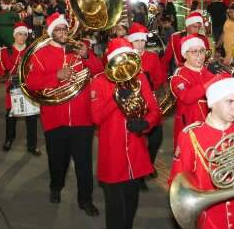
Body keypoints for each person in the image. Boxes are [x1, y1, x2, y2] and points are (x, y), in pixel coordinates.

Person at [169, 72, 234, 229]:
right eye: (230, 101)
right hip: (209, 220)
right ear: (213, 103)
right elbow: (177, 184)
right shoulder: (191, 135)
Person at [26, 12, 102, 216]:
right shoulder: (39, 54)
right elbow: (31, 83)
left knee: (84, 163)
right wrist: (55, 76)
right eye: (58, 29)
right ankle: (55, 186)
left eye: (64, 29)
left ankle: (85, 200)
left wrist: (88, 56)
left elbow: (99, 71)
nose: (63, 32)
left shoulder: (80, 48)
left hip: (82, 118)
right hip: (55, 118)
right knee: (57, 161)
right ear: (51, 33)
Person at [89, 38, 160, 229]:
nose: (124, 63)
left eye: (128, 57)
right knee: (115, 210)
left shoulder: (140, 78)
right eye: (119, 58)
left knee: (131, 204)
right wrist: (116, 98)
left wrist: (145, 124)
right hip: (113, 155)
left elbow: (154, 111)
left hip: (136, 153)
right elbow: (96, 118)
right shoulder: (99, 82)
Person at [127, 22, 166, 183]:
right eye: (137, 41)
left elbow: (160, 78)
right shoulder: (126, 58)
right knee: (138, 140)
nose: (140, 44)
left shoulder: (152, 57)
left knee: (156, 138)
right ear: (131, 42)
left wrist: (151, 86)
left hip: (150, 102)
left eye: (142, 41)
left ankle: (148, 163)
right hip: (133, 105)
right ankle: (139, 171)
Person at [0, 22, 41, 155]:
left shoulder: (32, 51)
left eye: (25, 34)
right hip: (13, 88)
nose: (22, 37)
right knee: (11, 115)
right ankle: (9, 139)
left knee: (31, 117)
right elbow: (0, 72)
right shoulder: (5, 51)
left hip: (28, 87)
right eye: (20, 34)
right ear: (14, 35)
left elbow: (38, 70)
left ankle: (32, 145)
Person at [169, 34, 215, 150]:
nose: (199, 55)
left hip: (212, 127)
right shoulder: (179, 76)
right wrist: (210, 83)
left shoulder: (210, 74)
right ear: (185, 55)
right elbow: (187, 97)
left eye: (202, 51)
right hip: (189, 129)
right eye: (194, 52)